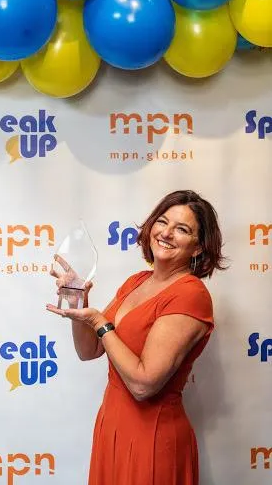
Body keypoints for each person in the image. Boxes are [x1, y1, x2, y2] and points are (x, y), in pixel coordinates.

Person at [46, 190, 226, 485]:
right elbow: (89, 350)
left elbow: (144, 385)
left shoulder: (191, 295)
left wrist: (99, 321)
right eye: (163, 222)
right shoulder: (137, 281)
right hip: (112, 425)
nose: (166, 233)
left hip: (152, 436)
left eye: (182, 229)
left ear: (197, 248)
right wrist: (77, 298)